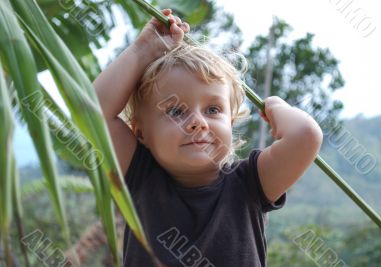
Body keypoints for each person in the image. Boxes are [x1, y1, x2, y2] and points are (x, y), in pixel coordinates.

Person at [94, 9, 323, 267]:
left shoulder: (250, 184)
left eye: (213, 110)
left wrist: (276, 106)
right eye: (176, 111)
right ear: (140, 133)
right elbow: (93, 113)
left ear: (231, 121)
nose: (197, 122)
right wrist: (142, 50)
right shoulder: (141, 176)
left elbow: (305, 136)